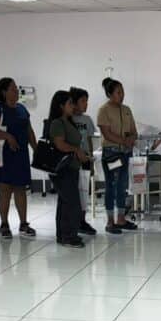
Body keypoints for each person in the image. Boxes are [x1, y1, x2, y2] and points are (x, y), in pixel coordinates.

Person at [0, 77, 37, 239]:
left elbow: (29, 130)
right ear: (4, 92)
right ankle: (4, 224)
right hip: (4, 155)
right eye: (13, 89)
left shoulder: (22, 109)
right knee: (5, 189)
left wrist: (36, 148)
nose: (16, 91)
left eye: (16, 89)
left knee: (21, 189)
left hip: (20, 154)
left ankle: (23, 223)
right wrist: (8, 136)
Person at [48, 90, 91, 248]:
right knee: (72, 202)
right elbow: (60, 144)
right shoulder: (57, 123)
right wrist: (76, 150)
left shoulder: (69, 121)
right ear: (61, 106)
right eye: (70, 104)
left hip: (71, 167)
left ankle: (63, 234)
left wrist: (79, 152)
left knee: (65, 201)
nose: (73, 106)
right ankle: (69, 236)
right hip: (62, 169)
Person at [96, 77, 138, 234]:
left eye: (123, 92)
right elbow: (106, 134)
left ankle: (121, 218)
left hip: (126, 153)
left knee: (123, 186)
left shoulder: (127, 110)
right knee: (111, 185)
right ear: (109, 94)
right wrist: (123, 141)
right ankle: (109, 221)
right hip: (112, 154)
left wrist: (131, 139)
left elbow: (134, 131)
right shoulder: (103, 110)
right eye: (118, 92)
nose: (122, 95)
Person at [69, 86, 97, 236]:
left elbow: (89, 140)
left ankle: (82, 221)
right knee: (73, 191)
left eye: (87, 101)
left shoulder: (87, 120)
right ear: (73, 102)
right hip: (72, 159)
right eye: (83, 101)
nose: (86, 104)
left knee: (84, 191)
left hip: (85, 157)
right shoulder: (68, 119)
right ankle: (72, 221)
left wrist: (91, 160)